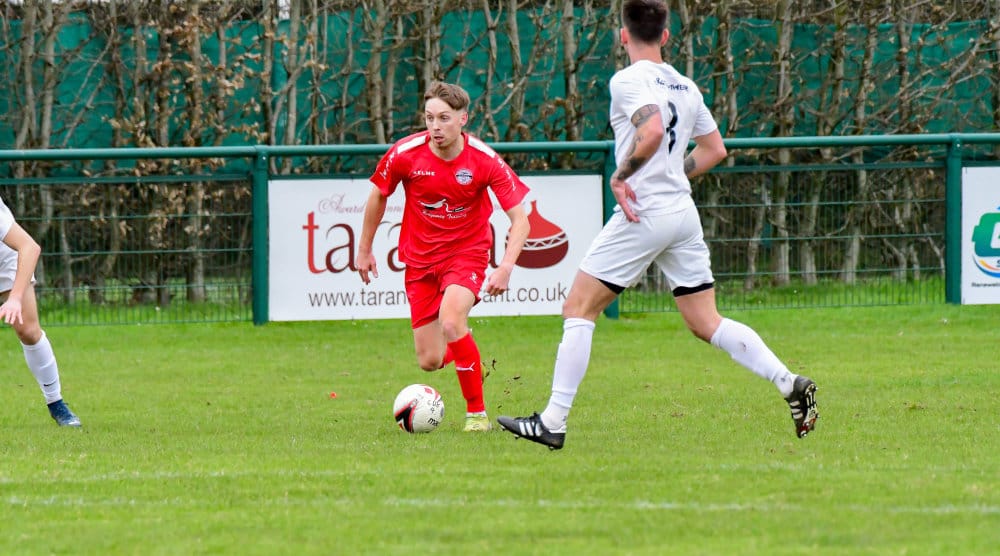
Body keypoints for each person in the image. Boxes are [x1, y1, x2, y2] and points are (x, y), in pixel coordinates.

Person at [497, 0, 818, 449]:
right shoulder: (686, 86)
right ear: (666, 36)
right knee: (705, 320)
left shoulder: (627, 79)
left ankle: (552, 421)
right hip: (681, 214)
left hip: (643, 213)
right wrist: (670, 174)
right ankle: (788, 382)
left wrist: (621, 176)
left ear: (622, 35)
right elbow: (715, 149)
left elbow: (649, 132)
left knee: (578, 309)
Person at [357, 81, 530, 432]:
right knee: (430, 360)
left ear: (463, 119)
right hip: (420, 261)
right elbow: (378, 195)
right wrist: (364, 249)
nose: (435, 126)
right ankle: (468, 354)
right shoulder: (406, 153)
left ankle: (477, 415)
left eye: (444, 118)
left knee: (451, 321)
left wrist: (506, 266)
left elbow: (521, 220)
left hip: (467, 254)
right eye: (429, 118)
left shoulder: (483, 160)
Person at [0, 194, 82, 427]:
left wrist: (15, 298)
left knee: (28, 330)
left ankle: (56, 403)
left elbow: (29, 247)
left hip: (5, 258)